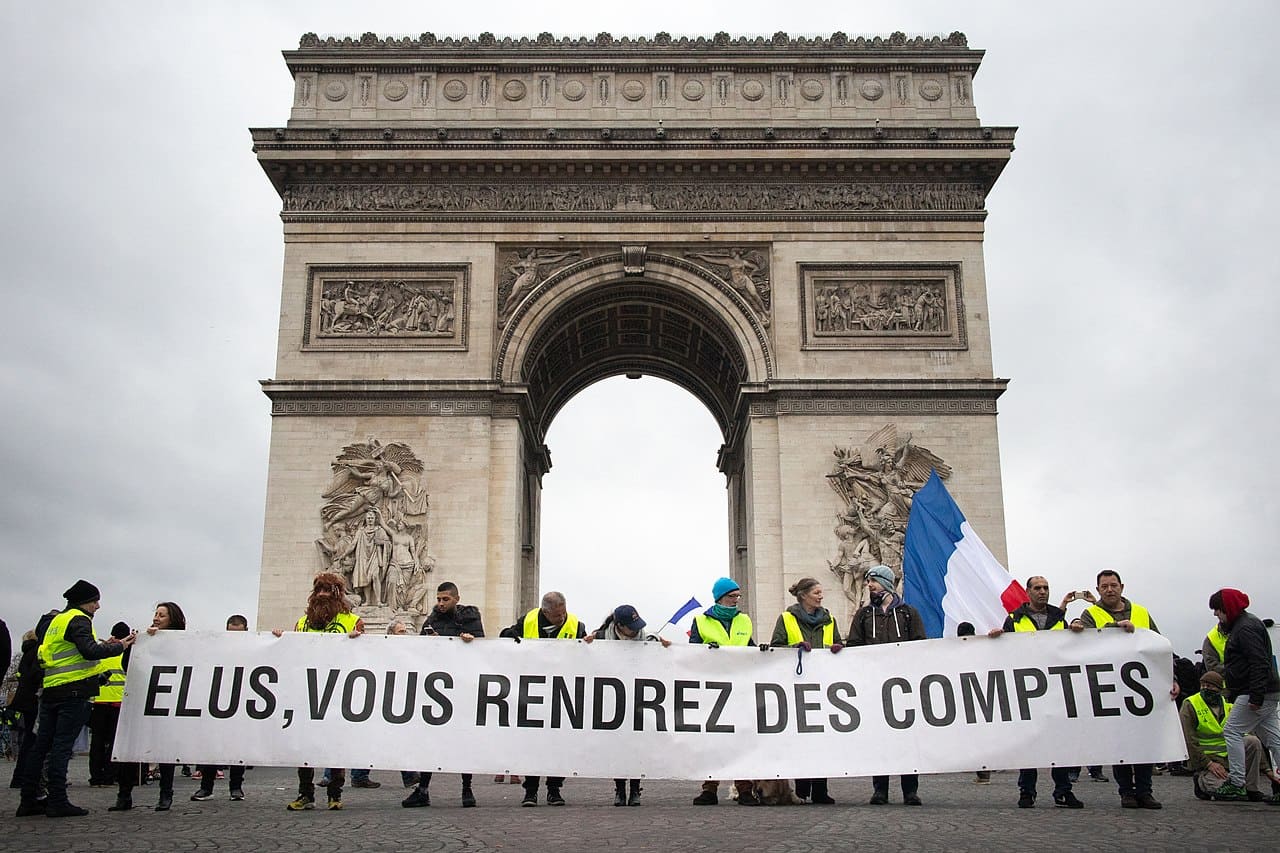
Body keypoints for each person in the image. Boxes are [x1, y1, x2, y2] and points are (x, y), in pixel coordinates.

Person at [14, 580, 135, 818]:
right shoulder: (79, 620)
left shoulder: (55, 621)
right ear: (84, 602)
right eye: (94, 601)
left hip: (51, 689)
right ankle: (57, 800)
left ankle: (29, 799)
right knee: (61, 747)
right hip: (73, 692)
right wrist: (120, 645)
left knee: (41, 746)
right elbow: (89, 651)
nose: (98, 606)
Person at [1068, 569, 1170, 809]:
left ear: (1122, 587)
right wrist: (1115, 627)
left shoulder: (1142, 612)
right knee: (1121, 743)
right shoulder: (1090, 613)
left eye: (1113, 585)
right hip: (1109, 687)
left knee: (1144, 743)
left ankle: (1145, 791)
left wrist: (1170, 678)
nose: (1109, 590)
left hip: (1142, 687)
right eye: (1104, 586)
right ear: (1098, 590)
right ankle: (1126, 792)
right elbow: (1088, 644)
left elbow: (1159, 646)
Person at [988, 576, 1083, 809]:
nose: (1043, 592)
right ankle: (1027, 791)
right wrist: (996, 640)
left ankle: (1063, 790)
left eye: (1046, 588)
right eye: (1038, 588)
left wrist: (1078, 630)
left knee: (1059, 742)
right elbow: (1005, 655)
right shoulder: (1014, 619)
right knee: (1028, 744)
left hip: (1056, 688)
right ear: (1028, 592)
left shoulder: (1060, 618)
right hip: (1026, 690)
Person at [273, 573, 364, 811]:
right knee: (305, 745)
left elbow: (364, 656)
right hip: (307, 692)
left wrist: (359, 641)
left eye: (328, 590)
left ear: (338, 594)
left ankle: (335, 794)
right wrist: (281, 641)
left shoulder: (353, 621)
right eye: (319, 590)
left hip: (338, 693)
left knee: (335, 745)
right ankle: (306, 794)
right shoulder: (301, 624)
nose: (322, 594)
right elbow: (291, 653)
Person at [500, 591, 591, 806]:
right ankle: (530, 791)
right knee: (534, 746)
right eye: (557, 616)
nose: (562, 618)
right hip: (534, 695)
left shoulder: (576, 626)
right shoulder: (527, 621)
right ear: (545, 612)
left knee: (559, 746)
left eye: (563, 613)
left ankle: (554, 789)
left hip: (562, 695)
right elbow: (508, 637)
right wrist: (506, 636)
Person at [848, 565, 925, 806]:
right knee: (879, 739)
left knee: (907, 740)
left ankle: (910, 790)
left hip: (904, 686)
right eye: (869, 581)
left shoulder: (908, 613)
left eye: (874, 581)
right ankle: (879, 789)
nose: (869, 585)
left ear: (887, 583)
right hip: (874, 686)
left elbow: (921, 645)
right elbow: (854, 645)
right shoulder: (863, 615)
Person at [403, 582, 484, 809]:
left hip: (462, 687)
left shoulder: (470, 616)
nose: (440, 603)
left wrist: (469, 640)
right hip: (437, 691)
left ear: (457, 598)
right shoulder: (431, 620)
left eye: (445, 599)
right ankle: (423, 789)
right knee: (431, 741)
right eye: (438, 599)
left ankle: (467, 788)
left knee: (463, 741)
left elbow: (482, 645)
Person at [770, 577, 843, 804]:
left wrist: (838, 648)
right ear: (803, 595)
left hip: (824, 684)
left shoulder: (830, 619)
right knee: (801, 738)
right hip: (796, 683)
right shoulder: (786, 618)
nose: (821, 596)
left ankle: (821, 789)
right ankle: (802, 789)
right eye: (817, 593)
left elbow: (839, 643)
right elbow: (776, 646)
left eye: (821, 593)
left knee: (822, 738)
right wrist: (794, 648)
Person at [690, 577, 759, 807]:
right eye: (732, 596)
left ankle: (745, 788)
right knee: (711, 740)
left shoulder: (744, 621)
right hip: (712, 687)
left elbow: (750, 648)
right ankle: (709, 789)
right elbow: (692, 654)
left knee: (741, 739)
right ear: (720, 597)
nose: (736, 601)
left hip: (739, 687)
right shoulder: (700, 621)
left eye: (738, 596)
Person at [1208, 588, 1280, 803]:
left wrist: (1256, 697)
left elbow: (1259, 662)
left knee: (1231, 731)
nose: (1216, 615)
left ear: (1227, 608)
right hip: (1268, 690)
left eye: (1217, 610)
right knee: (1273, 738)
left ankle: (1237, 782)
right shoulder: (1249, 624)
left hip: (1255, 691)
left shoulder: (1244, 628)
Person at [595, 604, 671, 806]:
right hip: (613, 701)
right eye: (631, 626)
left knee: (637, 746)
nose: (636, 630)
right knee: (618, 747)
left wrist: (666, 648)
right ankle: (620, 790)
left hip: (639, 701)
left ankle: (635, 789)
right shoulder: (600, 639)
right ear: (619, 626)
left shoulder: (648, 640)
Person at [1180, 671, 1268, 801]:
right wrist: (1209, 764)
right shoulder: (1190, 704)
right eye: (1203, 685)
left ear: (1220, 689)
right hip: (1208, 761)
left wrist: (1265, 768)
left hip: (1230, 760)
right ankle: (1201, 781)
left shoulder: (1229, 705)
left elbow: (1247, 732)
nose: (1205, 689)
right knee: (1222, 790)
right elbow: (1189, 741)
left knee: (1253, 741)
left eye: (1209, 686)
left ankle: (1251, 788)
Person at [191, 614, 250, 802]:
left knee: (237, 747)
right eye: (231, 633)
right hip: (216, 701)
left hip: (241, 703)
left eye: (238, 634)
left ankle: (236, 787)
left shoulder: (252, 649)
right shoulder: (215, 648)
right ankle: (206, 787)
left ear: (246, 632)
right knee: (212, 746)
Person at [87, 621, 130, 787]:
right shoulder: (125, 654)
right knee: (114, 742)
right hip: (118, 703)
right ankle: (110, 776)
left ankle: (95, 776)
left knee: (97, 742)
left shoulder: (102, 653)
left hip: (98, 701)